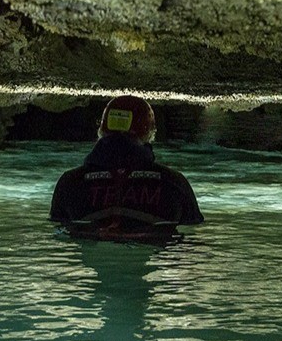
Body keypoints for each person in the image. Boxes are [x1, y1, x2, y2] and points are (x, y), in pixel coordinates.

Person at [50, 95, 203, 239]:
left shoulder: (70, 182)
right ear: (149, 134)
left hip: (92, 250)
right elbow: (191, 230)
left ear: (102, 130)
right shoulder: (174, 182)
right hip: (151, 248)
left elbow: (59, 230)